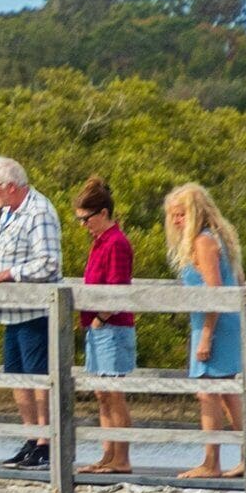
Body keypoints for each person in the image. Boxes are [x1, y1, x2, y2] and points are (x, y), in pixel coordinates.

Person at [0, 156, 64, 467]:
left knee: (39, 378)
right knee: (17, 377)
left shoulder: (39, 210)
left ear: (11, 186)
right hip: (9, 310)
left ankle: (46, 444)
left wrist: (5, 274)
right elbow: (12, 256)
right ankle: (30, 439)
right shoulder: (9, 212)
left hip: (35, 310)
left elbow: (48, 263)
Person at [163, 181, 246, 480]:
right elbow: (239, 280)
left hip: (215, 324)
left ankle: (211, 462)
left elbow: (216, 291)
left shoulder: (203, 241)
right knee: (225, 394)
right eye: (173, 215)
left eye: (181, 213)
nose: (176, 220)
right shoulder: (218, 238)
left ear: (196, 212)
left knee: (208, 392)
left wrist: (206, 335)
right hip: (216, 323)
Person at [71, 176, 138, 474]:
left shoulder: (117, 243)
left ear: (103, 214)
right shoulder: (99, 243)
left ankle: (121, 459)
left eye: (86, 219)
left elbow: (117, 290)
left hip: (114, 328)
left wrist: (100, 318)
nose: (83, 225)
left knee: (114, 392)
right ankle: (107, 454)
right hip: (97, 328)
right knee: (101, 393)